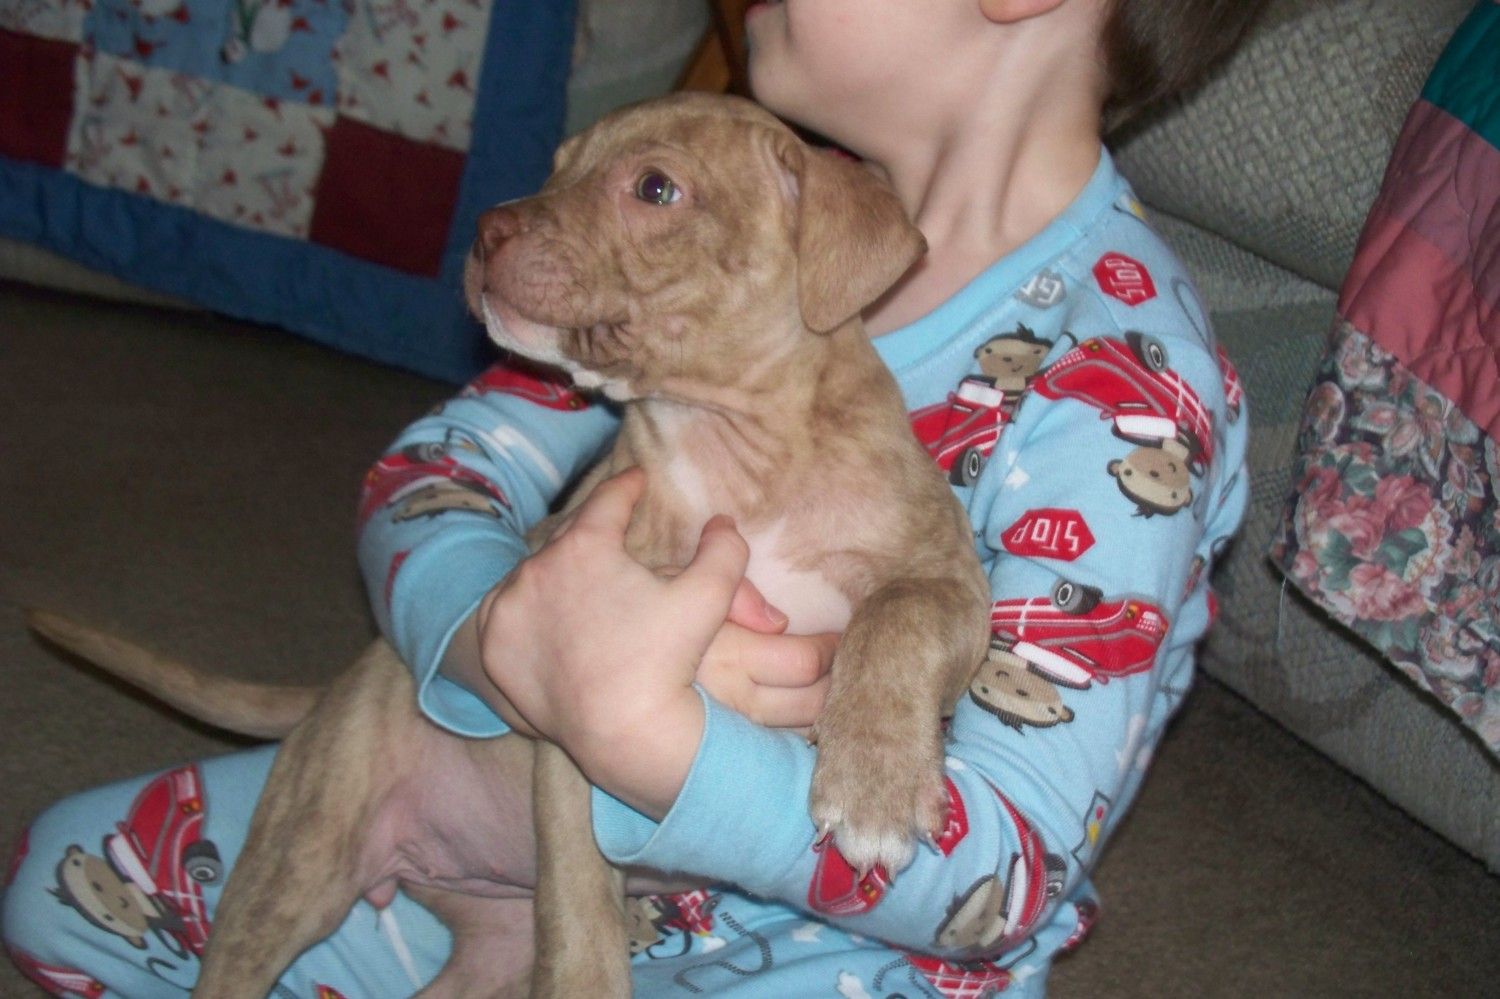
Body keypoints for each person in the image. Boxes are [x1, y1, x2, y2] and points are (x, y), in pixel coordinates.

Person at [3, 0, 1266, 995]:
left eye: (644, 190)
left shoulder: (1128, 379)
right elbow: (432, 474)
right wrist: (497, 641)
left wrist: (653, 742)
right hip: (507, 813)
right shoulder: (726, 212)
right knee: (72, 886)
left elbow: (1010, 871)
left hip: (837, 941)